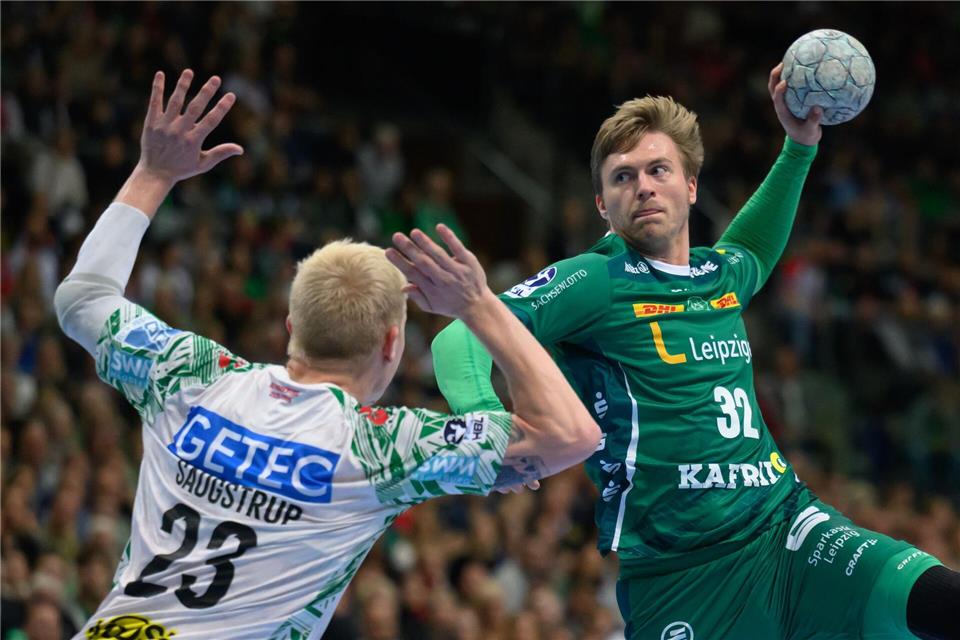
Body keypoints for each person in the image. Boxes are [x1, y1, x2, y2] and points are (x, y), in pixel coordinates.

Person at [54, 69, 600, 640]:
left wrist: (152, 173)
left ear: (292, 326)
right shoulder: (379, 448)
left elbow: (82, 298)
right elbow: (571, 435)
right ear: (391, 344)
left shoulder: (189, 375)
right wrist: (478, 304)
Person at [431, 64, 960, 639]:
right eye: (623, 177)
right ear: (603, 205)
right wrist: (489, 429)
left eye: (658, 169)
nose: (643, 186)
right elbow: (459, 334)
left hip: (788, 530)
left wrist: (799, 147)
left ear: (690, 187)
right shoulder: (597, 279)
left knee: (939, 600)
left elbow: (753, 243)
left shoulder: (718, 275)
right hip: (681, 576)